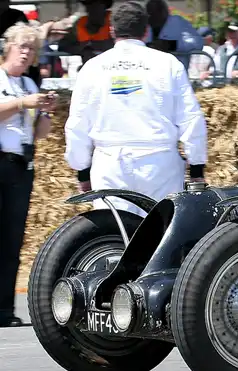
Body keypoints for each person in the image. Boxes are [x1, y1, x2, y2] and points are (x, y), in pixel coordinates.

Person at [63, 0, 207, 218]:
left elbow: (77, 123)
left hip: (110, 163)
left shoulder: (92, 67)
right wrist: (197, 168)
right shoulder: (168, 64)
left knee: (113, 236)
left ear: (112, 30)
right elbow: (191, 118)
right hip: (159, 164)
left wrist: (82, 170)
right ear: (146, 30)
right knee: (161, 235)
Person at [0, 22, 58, 327]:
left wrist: (46, 110)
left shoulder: (30, 86)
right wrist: (23, 103)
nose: (26, 53)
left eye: (32, 48)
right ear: (8, 46)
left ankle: (5, 310)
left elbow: (39, 133)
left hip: (19, 165)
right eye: (22, 46)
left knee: (12, 240)